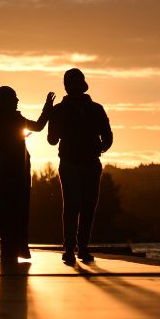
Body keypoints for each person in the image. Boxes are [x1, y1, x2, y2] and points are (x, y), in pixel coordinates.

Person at [47, 68, 113, 264]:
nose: (73, 87)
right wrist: (50, 116)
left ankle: (82, 248)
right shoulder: (59, 110)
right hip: (70, 164)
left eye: (76, 83)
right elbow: (52, 140)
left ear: (82, 86)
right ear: (66, 87)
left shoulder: (96, 109)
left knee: (88, 207)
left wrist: (100, 147)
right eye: (70, 84)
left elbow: (108, 136)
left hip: (91, 163)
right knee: (72, 206)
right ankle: (70, 249)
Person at [0, 87, 55, 264]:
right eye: (14, 98)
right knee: (12, 211)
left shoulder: (12, 119)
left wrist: (47, 108)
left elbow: (39, 126)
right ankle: (12, 249)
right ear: (6, 102)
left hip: (15, 171)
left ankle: (16, 249)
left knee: (16, 211)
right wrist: (14, 139)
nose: (18, 101)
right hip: (11, 171)